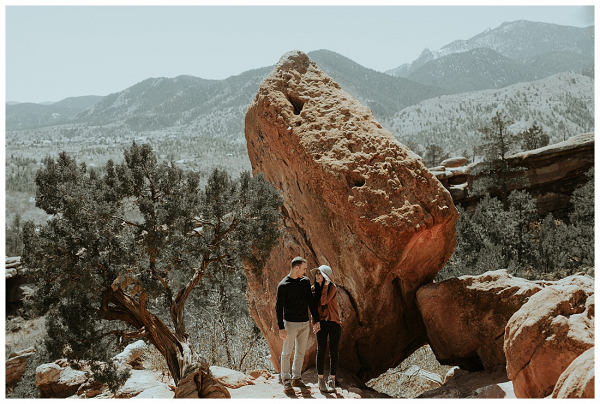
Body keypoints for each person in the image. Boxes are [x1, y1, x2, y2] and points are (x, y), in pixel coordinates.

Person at [276, 256, 321, 392]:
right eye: (304, 268)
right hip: (290, 324)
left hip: (304, 323)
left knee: (300, 352)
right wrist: (281, 328)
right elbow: (278, 308)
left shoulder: (305, 282)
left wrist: (316, 319)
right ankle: (286, 380)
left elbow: (310, 302)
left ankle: (296, 378)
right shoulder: (283, 285)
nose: (305, 271)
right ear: (296, 268)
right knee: (287, 352)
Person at [310, 264, 341, 393]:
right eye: (316, 274)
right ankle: (321, 380)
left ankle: (332, 380)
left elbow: (324, 301)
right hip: (321, 323)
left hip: (334, 323)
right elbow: (312, 308)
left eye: (320, 274)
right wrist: (315, 323)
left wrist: (326, 285)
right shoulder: (313, 289)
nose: (317, 276)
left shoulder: (332, 288)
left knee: (333, 352)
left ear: (325, 277)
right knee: (321, 350)